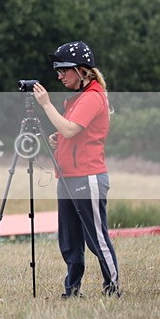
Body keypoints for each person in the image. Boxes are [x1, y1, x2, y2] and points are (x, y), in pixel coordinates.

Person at [31, 41, 121, 298]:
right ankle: (72, 290)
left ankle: (112, 288)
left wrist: (46, 105)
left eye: (63, 70)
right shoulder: (77, 97)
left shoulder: (93, 96)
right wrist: (58, 138)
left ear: (82, 70)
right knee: (70, 240)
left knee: (96, 237)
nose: (59, 76)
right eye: (57, 71)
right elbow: (72, 132)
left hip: (88, 176)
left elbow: (70, 128)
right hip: (67, 177)